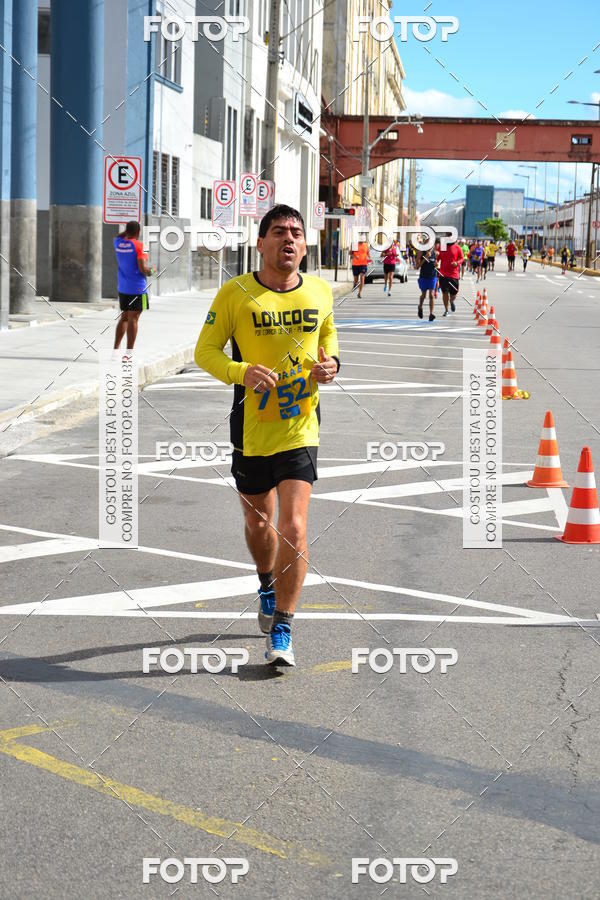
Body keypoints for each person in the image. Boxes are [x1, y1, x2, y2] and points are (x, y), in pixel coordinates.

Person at [194, 205, 340, 668]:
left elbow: (328, 335)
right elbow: (205, 352)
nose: (289, 240)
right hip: (252, 432)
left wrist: (331, 364)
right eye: (279, 232)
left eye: (296, 233)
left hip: (301, 426)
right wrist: (242, 371)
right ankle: (265, 583)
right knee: (260, 526)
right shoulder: (235, 294)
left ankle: (283, 626)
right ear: (260, 244)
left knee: (294, 527)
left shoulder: (318, 291)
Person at [113, 221, 154, 350]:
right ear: (139, 232)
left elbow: (119, 236)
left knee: (124, 317)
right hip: (138, 289)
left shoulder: (118, 243)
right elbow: (143, 269)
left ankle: (116, 349)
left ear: (127, 231)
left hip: (123, 288)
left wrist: (129, 231)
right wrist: (152, 270)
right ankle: (129, 353)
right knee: (134, 319)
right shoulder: (139, 246)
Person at [437, 238, 464, 316]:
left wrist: (457, 263)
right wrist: (435, 261)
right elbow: (437, 258)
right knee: (444, 293)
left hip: (454, 274)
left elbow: (462, 258)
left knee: (454, 293)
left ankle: (451, 301)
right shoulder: (441, 247)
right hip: (443, 274)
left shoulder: (457, 247)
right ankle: (446, 310)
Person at [416, 246, 438, 321]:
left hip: (432, 276)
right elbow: (417, 267)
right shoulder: (420, 253)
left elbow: (437, 265)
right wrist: (425, 258)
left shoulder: (435, 253)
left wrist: (436, 265)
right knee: (423, 295)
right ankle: (420, 307)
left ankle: (431, 314)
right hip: (423, 276)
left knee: (431, 295)